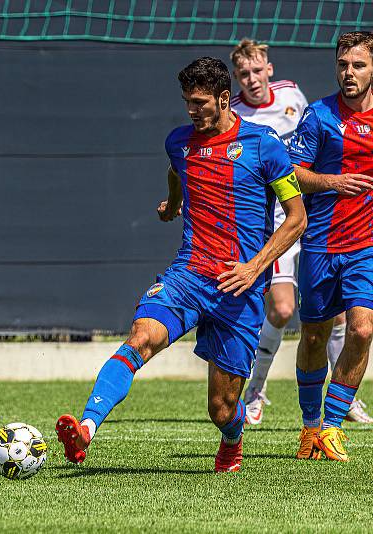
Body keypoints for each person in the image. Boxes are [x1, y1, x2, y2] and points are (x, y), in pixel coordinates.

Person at [56, 57, 306, 472]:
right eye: (187, 102)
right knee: (139, 339)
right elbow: (177, 173)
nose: (191, 110)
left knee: (222, 410)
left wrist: (254, 268)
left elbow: (297, 218)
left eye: (200, 102)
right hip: (187, 275)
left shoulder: (265, 145)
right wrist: (173, 205)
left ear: (225, 99)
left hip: (238, 287)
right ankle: (85, 429)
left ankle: (232, 439)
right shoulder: (179, 142)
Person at [230, 39, 372, 425]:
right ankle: (265, 394)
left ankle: (337, 413)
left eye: (257, 70)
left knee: (353, 324)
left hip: (340, 232)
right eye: (243, 74)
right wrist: (333, 182)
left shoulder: (292, 95)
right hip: (285, 227)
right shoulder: (243, 114)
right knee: (291, 317)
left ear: (269, 70)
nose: (252, 79)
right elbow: (290, 169)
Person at [289, 31, 373, 461]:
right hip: (321, 243)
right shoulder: (318, 115)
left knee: (362, 328)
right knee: (315, 336)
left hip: (366, 247)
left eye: (358, 65)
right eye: (343, 64)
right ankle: (308, 426)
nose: (349, 73)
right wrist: (333, 182)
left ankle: (333, 426)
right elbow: (293, 173)